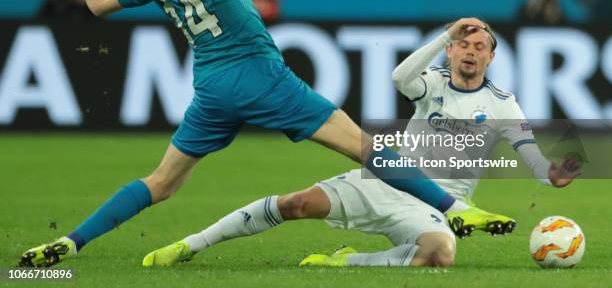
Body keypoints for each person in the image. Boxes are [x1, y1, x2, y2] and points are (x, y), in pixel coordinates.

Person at [19, 0, 509, 268]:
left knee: (162, 182)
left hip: (211, 89)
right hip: (259, 75)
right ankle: (456, 208)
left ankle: (71, 241)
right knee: (368, 147)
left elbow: (99, 4)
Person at [142, 20, 579, 268]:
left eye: (479, 46)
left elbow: (535, 162)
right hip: (385, 180)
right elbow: (399, 79)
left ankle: (346, 262)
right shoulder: (433, 83)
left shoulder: (504, 105)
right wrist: (444, 35)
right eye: (462, 44)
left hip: (441, 206)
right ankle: (190, 245)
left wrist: (553, 175)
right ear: (450, 51)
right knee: (296, 204)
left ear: (492, 57)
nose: (469, 51)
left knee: (440, 254)